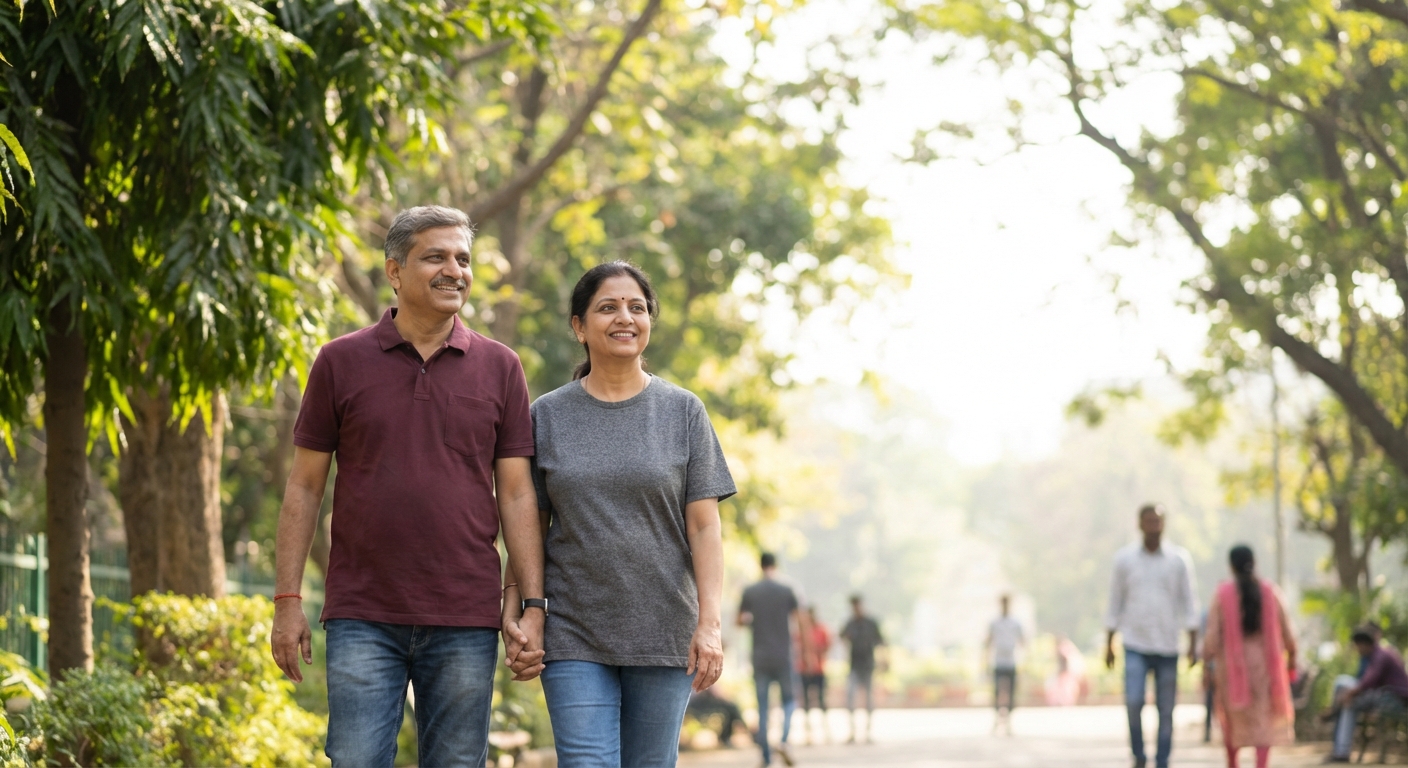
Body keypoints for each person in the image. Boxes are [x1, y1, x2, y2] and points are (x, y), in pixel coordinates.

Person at [269, 205, 546, 767]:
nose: (454, 271)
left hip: (465, 612)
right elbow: (304, 487)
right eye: (435, 257)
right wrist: (287, 601)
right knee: (355, 760)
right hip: (362, 611)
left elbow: (518, 495)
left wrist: (532, 605)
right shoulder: (339, 361)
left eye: (462, 259)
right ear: (394, 271)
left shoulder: (500, 367)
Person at [503, 261, 734, 768]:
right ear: (579, 326)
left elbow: (704, 526)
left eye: (637, 307)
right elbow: (527, 525)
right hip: (573, 630)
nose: (625, 317)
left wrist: (710, 624)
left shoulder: (684, 411)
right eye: (608, 307)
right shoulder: (546, 415)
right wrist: (522, 608)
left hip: (664, 631)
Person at [1104, 503, 1200, 768]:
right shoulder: (1124, 560)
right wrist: (1109, 642)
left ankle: (1162, 760)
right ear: (1139, 524)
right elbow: (1115, 602)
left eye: (1157, 521)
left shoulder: (1178, 560)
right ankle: (1138, 755)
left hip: (1168, 645)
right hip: (1135, 643)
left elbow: (1189, 602)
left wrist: (1193, 642)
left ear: (1163, 524)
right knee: (1133, 702)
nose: (1153, 526)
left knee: (1166, 709)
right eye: (1148, 521)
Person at [1201, 545, 1297, 768]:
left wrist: (1206, 665)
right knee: (1262, 720)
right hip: (1265, 668)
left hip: (1230, 670)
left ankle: (1233, 763)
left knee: (1233, 720)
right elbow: (1287, 631)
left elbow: (1212, 635)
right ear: (1254, 563)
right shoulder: (1270, 592)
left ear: (1231, 566)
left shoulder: (1222, 594)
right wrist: (1292, 655)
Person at [738, 552, 806, 767]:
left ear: (760, 566)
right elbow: (801, 621)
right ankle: (784, 741)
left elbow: (739, 620)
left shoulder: (750, 591)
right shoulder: (787, 590)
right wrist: (806, 652)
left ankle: (766, 756)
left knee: (763, 707)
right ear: (775, 566)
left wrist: (751, 621)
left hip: (760, 658)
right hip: (783, 656)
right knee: (789, 701)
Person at [1325, 626, 1408, 762]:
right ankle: (1341, 750)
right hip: (1386, 696)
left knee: (1349, 701)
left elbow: (1368, 681)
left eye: (1357, 646)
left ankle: (1342, 750)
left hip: (1395, 699)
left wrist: (1350, 694)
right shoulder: (1373, 656)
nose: (1356, 650)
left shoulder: (1381, 655)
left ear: (1363, 644)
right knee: (1345, 692)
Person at [840, 594, 885, 744]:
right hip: (854, 666)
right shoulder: (850, 623)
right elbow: (842, 637)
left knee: (869, 700)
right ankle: (852, 731)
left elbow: (880, 641)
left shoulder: (871, 623)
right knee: (850, 699)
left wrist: (883, 660)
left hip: (868, 666)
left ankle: (868, 731)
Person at [987, 594, 1026, 736]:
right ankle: (996, 721)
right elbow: (988, 641)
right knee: (997, 692)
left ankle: (1009, 722)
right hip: (998, 662)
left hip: (1011, 662)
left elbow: (1023, 641)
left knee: (1012, 693)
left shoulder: (1015, 623)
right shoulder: (995, 623)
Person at [798, 605, 833, 745]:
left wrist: (817, 654)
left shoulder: (821, 629)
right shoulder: (801, 631)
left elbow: (828, 645)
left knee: (822, 700)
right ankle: (808, 733)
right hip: (804, 670)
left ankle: (826, 731)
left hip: (819, 670)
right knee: (806, 702)